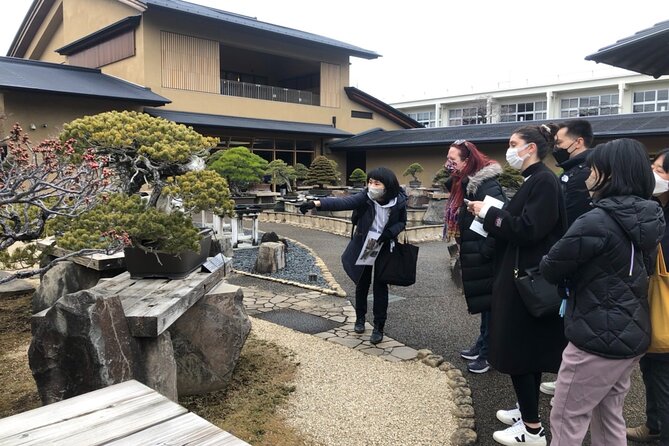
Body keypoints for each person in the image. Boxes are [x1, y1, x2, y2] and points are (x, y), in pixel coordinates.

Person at [540, 138, 664, 445]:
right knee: (608, 415)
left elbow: (551, 266)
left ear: (610, 173)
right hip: (631, 334)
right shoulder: (651, 215)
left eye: (592, 169)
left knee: (567, 416)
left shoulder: (597, 220)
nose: (587, 175)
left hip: (596, 338)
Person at [466, 123, 567, 446]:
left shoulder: (544, 182)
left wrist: (488, 215)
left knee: (520, 352)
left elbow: (528, 229)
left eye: (514, 143)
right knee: (527, 352)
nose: (509, 150)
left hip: (526, 281)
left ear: (531, 148)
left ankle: (533, 429)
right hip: (520, 278)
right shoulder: (536, 181)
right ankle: (527, 413)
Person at [299, 167, 407, 344]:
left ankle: (379, 327)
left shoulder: (399, 201)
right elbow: (344, 202)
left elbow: (402, 222)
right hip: (366, 243)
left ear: (387, 186)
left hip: (384, 244)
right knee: (362, 282)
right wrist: (316, 204)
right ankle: (360, 319)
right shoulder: (366, 197)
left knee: (381, 286)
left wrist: (389, 233)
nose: (372, 186)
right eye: (370, 182)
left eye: (376, 183)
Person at [540, 119, 594, 397]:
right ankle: (567, 379)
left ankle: (572, 386)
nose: (556, 148)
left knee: (575, 323)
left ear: (579, 142)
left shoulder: (581, 174)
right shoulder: (574, 171)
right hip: (574, 258)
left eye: (559, 143)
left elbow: (573, 224)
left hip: (577, 261)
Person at [444, 139, 506, 374]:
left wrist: (485, 251)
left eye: (453, 161)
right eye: (447, 160)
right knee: (483, 303)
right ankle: (482, 344)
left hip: (485, 253)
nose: (448, 165)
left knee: (490, 305)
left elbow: (499, 222)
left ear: (468, 161)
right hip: (475, 250)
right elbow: (448, 186)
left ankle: (489, 353)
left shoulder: (486, 185)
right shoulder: (466, 183)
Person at [626, 147, 669, 444]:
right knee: (652, 370)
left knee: (661, 375)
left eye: (660, 169)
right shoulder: (658, 207)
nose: (653, 174)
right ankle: (654, 425)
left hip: (663, 306)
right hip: (655, 305)